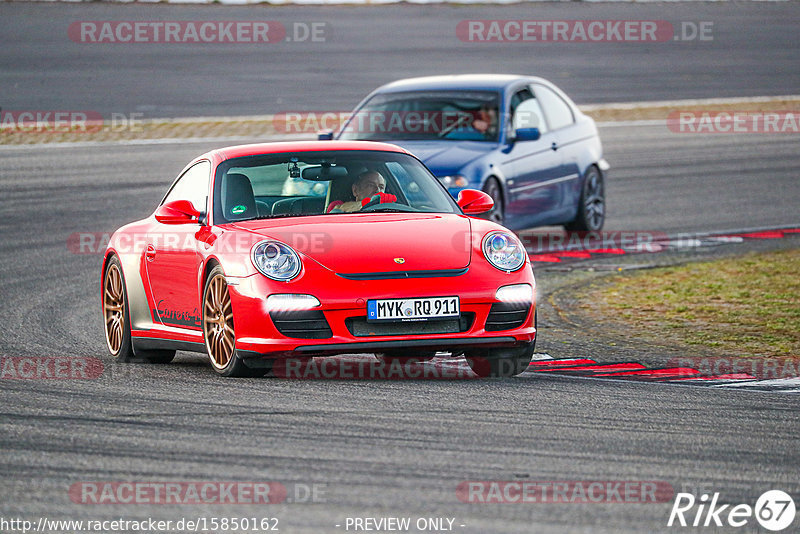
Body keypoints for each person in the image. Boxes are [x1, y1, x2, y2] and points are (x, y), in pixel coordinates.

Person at [327, 170, 394, 213]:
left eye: (381, 187)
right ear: (355, 190)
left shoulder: (390, 209)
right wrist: (369, 203)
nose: (378, 190)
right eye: (370, 185)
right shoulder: (338, 206)